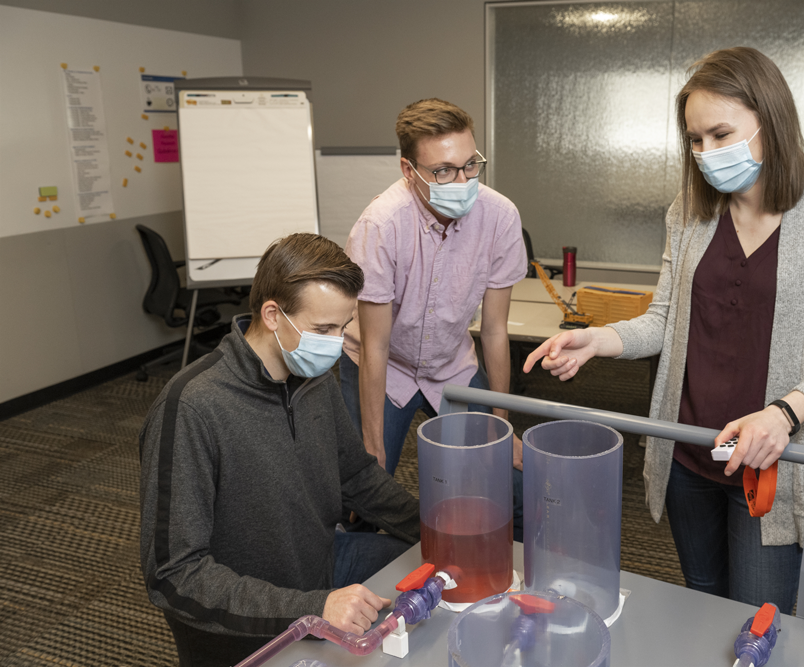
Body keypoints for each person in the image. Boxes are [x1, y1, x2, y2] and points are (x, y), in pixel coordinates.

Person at [524, 47, 804, 613]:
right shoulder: (689, 210)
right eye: (695, 139)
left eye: (720, 134)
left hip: (769, 460)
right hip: (690, 449)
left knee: (757, 618)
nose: (706, 153)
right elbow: (666, 318)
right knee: (705, 604)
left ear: (770, 120)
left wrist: (783, 413)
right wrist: (600, 340)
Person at [139, 234, 420, 667]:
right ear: (273, 314)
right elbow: (174, 575)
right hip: (249, 622)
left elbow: (356, 475)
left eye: (343, 327)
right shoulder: (192, 408)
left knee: (424, 568)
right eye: (324, 329)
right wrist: (310, 609)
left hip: (320, 567)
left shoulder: (313, 374)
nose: (335, 342)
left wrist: (435, 529)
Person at [339, 98, 527, 537]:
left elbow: (496, 332)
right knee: (364, 494)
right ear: (409, 170)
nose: (461, 181)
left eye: (470, 165)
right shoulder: (381, 225)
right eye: (443, 170)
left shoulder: (500, 216)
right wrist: (372, 447)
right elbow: (375, 346)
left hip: (451, 366)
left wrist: (503, 424)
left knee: (510, 481)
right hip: (384, 365)